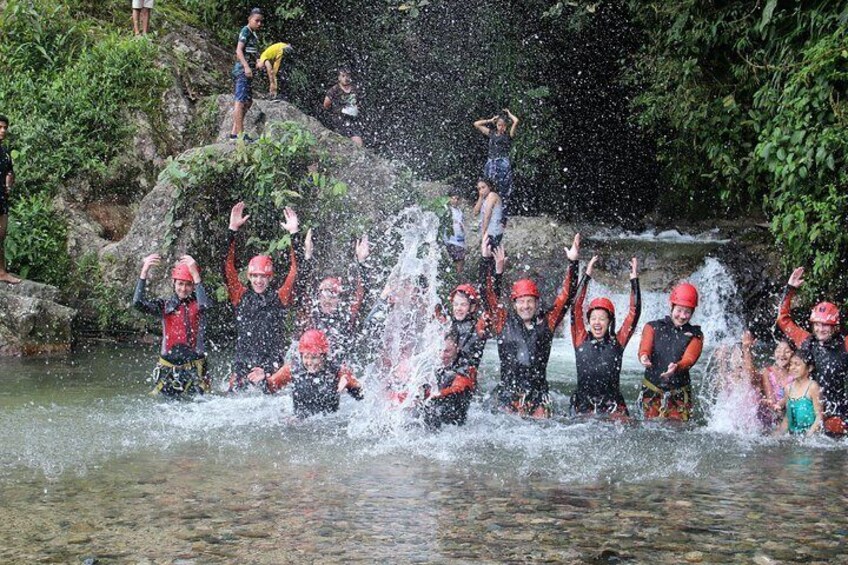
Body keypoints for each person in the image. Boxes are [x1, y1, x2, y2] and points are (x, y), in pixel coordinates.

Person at [483, 235, 581, 417]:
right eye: (521, 301)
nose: (525, 306)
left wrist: (573, 264)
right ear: (514, 304)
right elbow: (489, 297)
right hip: (509, 397)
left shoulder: (547, 322)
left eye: (530, 301)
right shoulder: (503, 322)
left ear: (537, 304)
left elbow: (566, 298)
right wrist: (490, 265)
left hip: (538, 398)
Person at [224, 201, 302, 391]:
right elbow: (227, 267)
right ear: (249, 276)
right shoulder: (240, 295)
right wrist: (232, 230)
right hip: (243, 367)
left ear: (270, 277)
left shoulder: (280, 297)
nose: (259, 280)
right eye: (255, 276)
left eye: (263, 276)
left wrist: (294, 234)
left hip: (271, 367)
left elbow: (296, 270)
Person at [776, 267, 848, 435]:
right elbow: (783, 320)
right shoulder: (807, 340)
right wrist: (790, 290)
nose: (820, 329)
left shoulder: (844, 345)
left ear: (835, 327)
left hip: (836, 410)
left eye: (825, 325)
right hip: (808, 407)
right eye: (817, 324)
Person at [570, 256, 641, 419]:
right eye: (593, 318)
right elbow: (575, 307)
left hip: (612, 405)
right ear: (588, 321)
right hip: (583, 404)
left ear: (609, 322)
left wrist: (634, 280)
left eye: (602, 318)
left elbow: (634, 313)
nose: (597, 322)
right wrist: (586, 276)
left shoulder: (618, 342)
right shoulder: (580, 338)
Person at [293, 229, 373, 366]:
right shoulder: (310, 314)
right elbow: (300, 286)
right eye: (323, 294)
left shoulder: (347, 317)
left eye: (332, 295)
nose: (327, 299)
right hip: (310, 369)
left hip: (337, 373)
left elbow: (362, 294)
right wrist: (307, 256)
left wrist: (362, 263)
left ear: (340, 299)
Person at [133, 254, 210, 396]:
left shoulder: (199, 305)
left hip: (194, 371)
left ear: (194, 286)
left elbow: (205, 305)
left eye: (188, 284)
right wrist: (144, 272)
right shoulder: (164, 306)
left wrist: (195, 273)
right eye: (180, 284)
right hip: (168, 371)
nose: (183, 289)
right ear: (173, 283)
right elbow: (137, 303)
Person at [638, 281, 704, 421]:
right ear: (671, 306)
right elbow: (645, 347)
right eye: (679, 310)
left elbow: (689, 359)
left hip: (679, 395)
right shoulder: (652, 327)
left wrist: (677, 366)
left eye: (687, 312)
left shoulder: (696, 335)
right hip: (652, 392)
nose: (682, 316)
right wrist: (644, 357)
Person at [263, 329, 364, 418]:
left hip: (329, 423)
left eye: (314, 357)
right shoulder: (292, 369)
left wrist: (348, 384)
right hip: (299, 423)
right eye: (306, 357)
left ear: (323, 356)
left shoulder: (337, 370)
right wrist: (263, 379)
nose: (310, 362)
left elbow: (361, 395)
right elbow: (271, 388)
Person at [423, 330, 476, 428]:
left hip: (454, 419)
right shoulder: (433, 365)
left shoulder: (465, 366)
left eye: (447, 351)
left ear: (457, 348)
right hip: (437, 406)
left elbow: (459, 387)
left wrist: (433, 394)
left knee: (433, 412)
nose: (442, 356)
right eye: (440, 350)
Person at [741, 331, 795, 428]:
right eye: (778, 351)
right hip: (771, 415)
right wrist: (747, 349)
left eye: (786, 351)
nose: (782, 355)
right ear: (774, 353)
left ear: (792, 354)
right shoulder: (768, 371)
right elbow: (751, 377)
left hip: (788, 414)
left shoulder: (795, 374)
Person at [473, 109, 519, 220]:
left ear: (506, 126)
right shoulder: (491, 133)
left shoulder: (509, 135)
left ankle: (501, 212)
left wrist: (509, 114)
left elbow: (516, 121)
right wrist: (490, 120)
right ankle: (485, 209)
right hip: (491, 162)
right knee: (487, 186)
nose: (501, 127)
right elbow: (476, 124)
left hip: (503, 162)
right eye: (499, 125)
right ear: (496, 125)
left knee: (503, 188)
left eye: (503, 125)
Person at [229, 8, 263, 141]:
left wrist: (258, 61)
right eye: (257, 21)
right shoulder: (245, 31)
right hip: (242, 71)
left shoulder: (254, 35)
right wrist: (246, 67)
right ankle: (240, 135)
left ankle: (234, 133)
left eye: (261, 21)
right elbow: (239, 50)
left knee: (248, 102)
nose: (259, 23)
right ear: (249, 19)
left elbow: (252, 53)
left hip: (249, 72)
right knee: (240, 101)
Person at [774, 349, 823, 436]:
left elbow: (819, 417)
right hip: (794, 436)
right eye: (791, 364)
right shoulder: (788, 388)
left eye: (797, 364)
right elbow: (787, 419)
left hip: (812, 438)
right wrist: (776, 436)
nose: (792, 368)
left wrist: (808, 437)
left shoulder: (813, 387)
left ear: (810, 368)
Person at [472, 178, 504, 284]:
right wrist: (480, 197)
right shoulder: (485, 198)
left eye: (483, 187)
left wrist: (484, 233)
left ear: (489, 186)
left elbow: (487, 215)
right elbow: (475, 212)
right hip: (490, 233)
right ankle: (489, 283)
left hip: (493, 233)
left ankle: (491, 285)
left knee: (489, 260)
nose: (481, 190)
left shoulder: (492, 195)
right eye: (479, 188)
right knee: (488, 260)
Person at [0, 115, 20, 284]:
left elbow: (10, 172)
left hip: (1, 199)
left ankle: (1, 272)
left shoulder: (5, 152)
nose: (3, 131)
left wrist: (8, 185)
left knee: (1, 235)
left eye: (5, 128)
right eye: (0, 127)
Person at [323, 68, 363, 147]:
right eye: (343, 76)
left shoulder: (355, 89)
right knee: (342, 142)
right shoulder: (334, 90)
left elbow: (359, 102)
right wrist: (338, 109)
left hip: (352, 119)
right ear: (339, 78)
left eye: (347, 76)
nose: (346, 78)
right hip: (339, 120)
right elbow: (326, 104)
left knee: (358, 142)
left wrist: (356, 108)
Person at [443, 188, 467, 274]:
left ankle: (457, 277)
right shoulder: (446, 209)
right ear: (449, 198)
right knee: (459, 259)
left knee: (460, 260)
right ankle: (457, 276)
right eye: (454, 198)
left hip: (460, 240)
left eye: (458, 199)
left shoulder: (459, 211)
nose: (456, 201)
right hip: (451, 240)